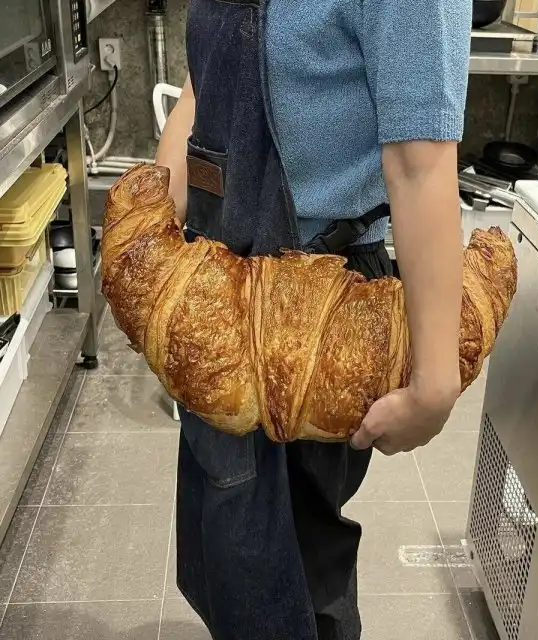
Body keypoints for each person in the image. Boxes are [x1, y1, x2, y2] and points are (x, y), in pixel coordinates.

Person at [155, 0, 472, 637]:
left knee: (296, 565)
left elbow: (421, 164)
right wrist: (152, 242)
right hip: (215, 284)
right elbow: (200, 88)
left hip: (320, 307)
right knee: (226, 543)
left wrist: (435, 385)